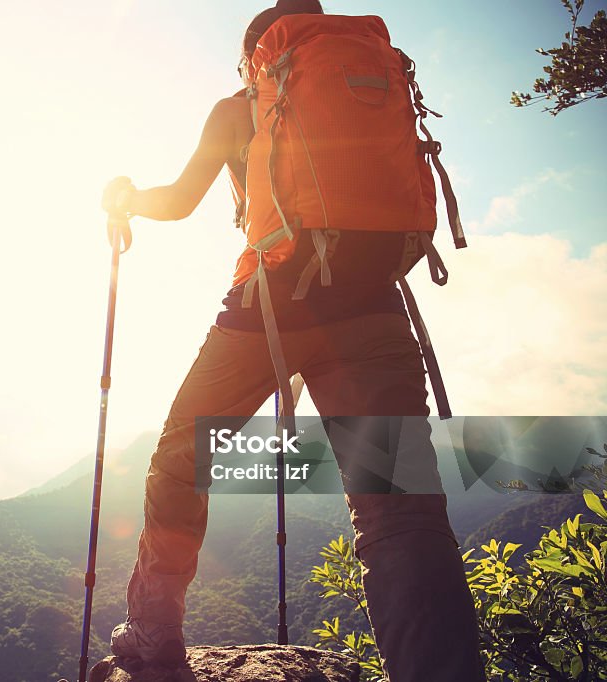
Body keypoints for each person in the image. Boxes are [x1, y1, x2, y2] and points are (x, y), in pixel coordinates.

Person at [100, 1, 486, 680]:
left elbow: (180, 200)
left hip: (267, 309)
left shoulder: (237, 108)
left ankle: (152, 633)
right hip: (374, 305)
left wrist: (125, 198)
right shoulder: (374, 86)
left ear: (259, 59)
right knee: (397, 511)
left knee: (180, 460)